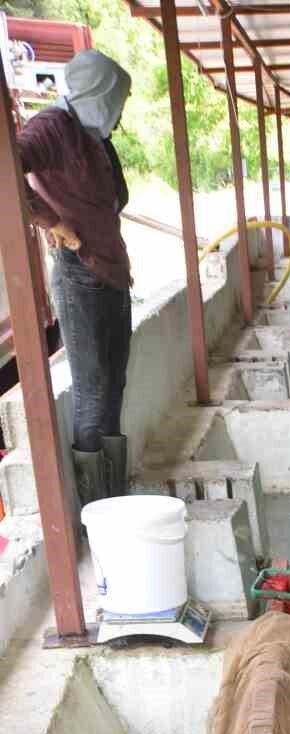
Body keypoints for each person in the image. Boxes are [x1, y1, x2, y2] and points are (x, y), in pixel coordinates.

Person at [17, 49, 133, 508]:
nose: (119, 112)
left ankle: (116, 498)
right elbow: (7, 167)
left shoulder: (91, 133)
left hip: (111, 270)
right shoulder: (52, 128)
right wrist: (51, 221)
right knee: (92, 390)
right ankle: (96, 511)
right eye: (116, 101)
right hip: (79, 273)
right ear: (97, 94)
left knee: (115, 383)